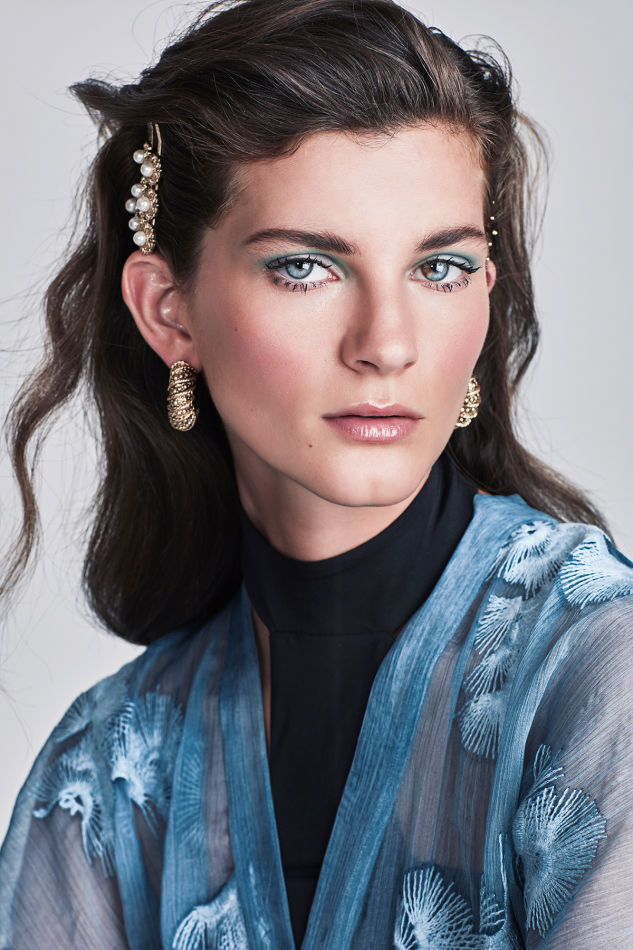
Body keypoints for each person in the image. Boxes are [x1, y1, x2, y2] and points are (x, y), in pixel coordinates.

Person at [1, 0, 632, 946]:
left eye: (440, 268)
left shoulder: (599, 672)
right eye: (305, 267)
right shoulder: (107, 776)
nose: (386, 343)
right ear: (168, 310)